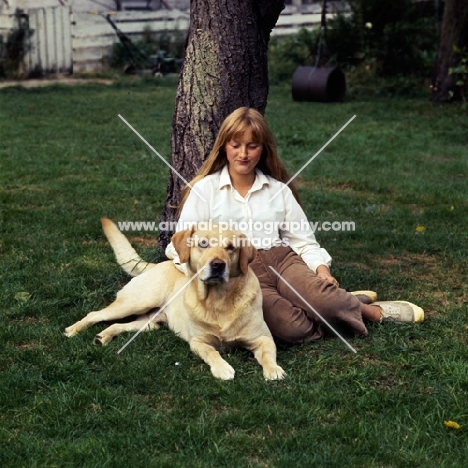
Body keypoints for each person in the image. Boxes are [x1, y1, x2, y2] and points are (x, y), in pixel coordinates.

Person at [165, 107, 424, 344]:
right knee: (290, 328)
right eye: (236, 145)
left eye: (252, 146)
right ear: (224, 147)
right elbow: (182, 246)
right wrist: (204, 272)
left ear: (263, 150)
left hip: (282, 260)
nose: (243, 154)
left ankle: (370, 311)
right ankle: (339, 307)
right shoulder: (205, 190)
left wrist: (321, 270)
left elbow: (304, 241)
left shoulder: (279, 190)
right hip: (243, 271)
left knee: (323, 296)